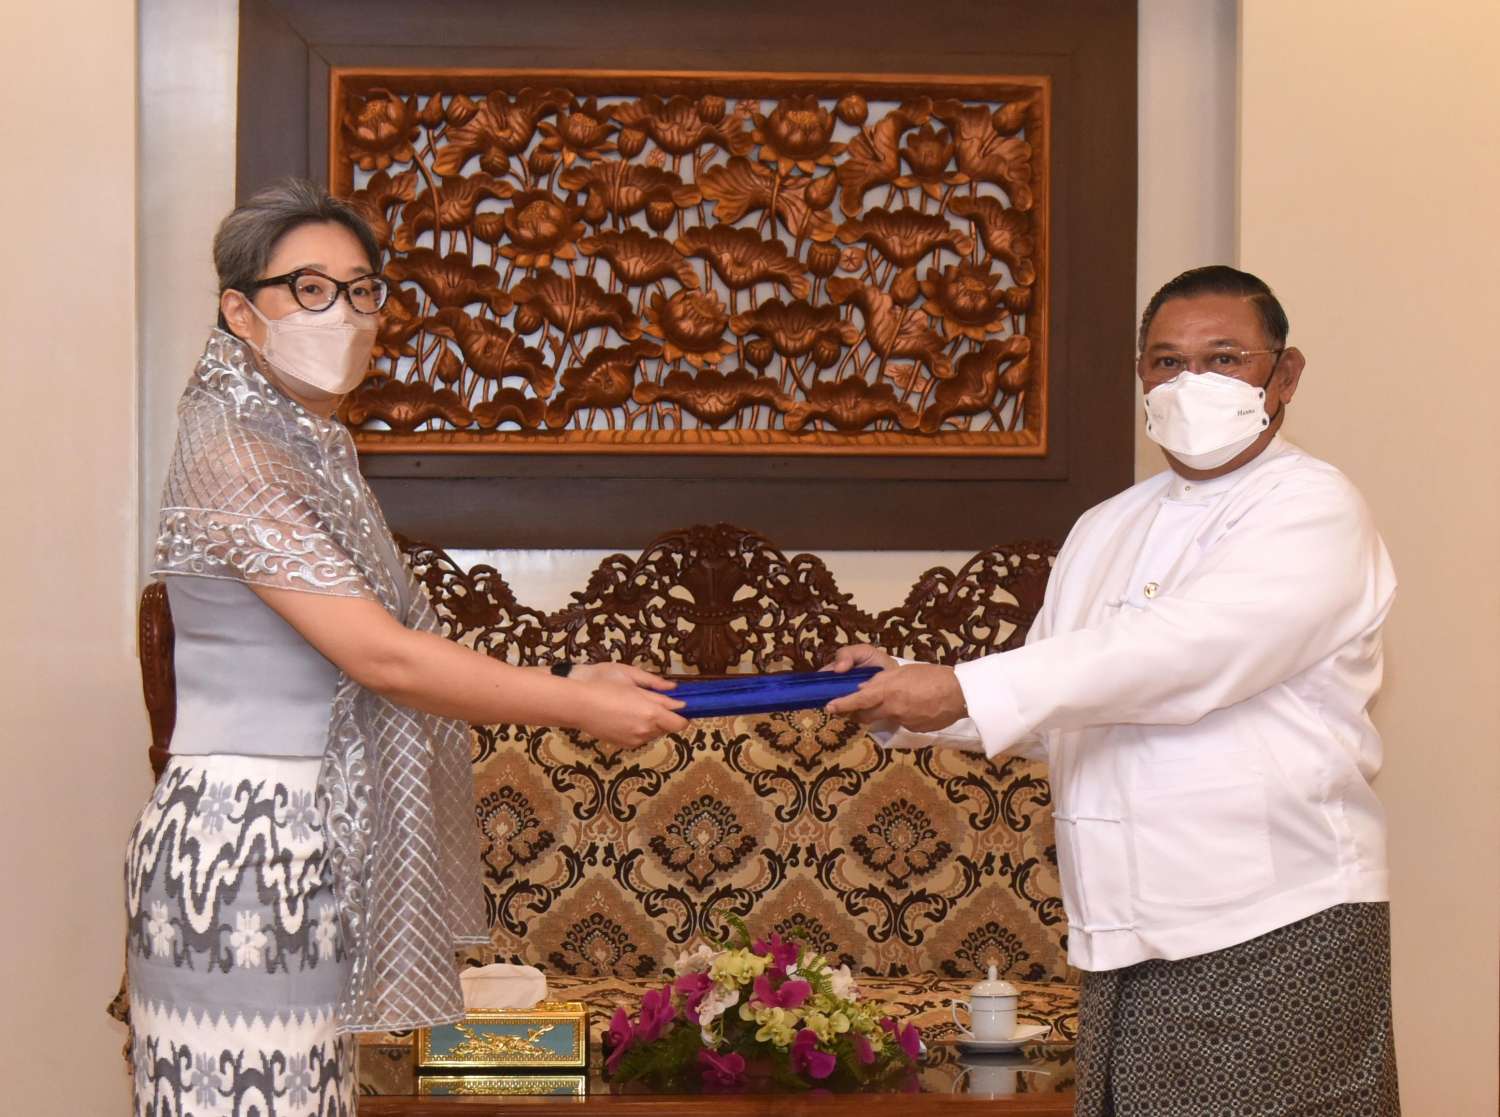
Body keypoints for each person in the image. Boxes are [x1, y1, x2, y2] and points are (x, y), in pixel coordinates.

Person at [123, 178, 688, 1117]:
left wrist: (567, 674)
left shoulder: (308, 447)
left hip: (309, 837)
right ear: (241, 312)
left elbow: (395, 643)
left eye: (361, 291)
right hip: (244, 846)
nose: (341, 315)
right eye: (309, 289)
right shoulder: (235, 451)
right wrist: (576, 704)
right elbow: (382, 659)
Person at [826, 266, 1399, 1116]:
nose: (1190, 382)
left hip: (1275, 924)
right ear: (1141, 377)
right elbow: (1061, 708)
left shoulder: (1313, 506)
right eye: (1166, 362)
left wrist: (960, 686)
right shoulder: (1106, 526)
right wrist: (903, 695)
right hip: (1122, 938)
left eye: (1224, 358)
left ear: (1284, 375)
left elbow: (1178, 655)